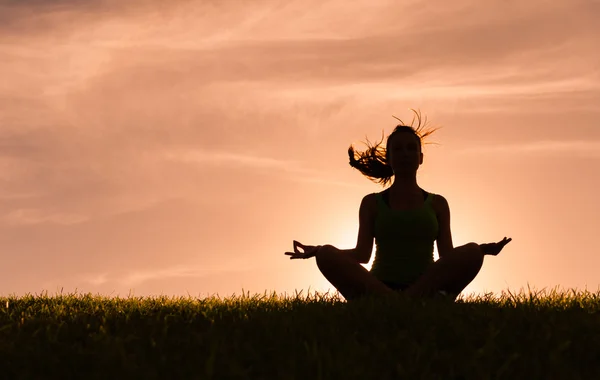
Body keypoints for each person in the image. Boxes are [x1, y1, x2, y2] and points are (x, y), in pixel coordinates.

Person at [284, 110, 511, 301]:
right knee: (325, 254)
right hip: (379, 286)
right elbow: (362, 254)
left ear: (421, 158)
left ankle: (406, 300)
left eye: (411, 149)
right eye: (398, 150)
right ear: (389, 159)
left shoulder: (438, 203)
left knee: (472, 251)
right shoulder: (372, 202)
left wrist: (481, 250)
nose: (405, 154)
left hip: (426, 287)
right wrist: (318, 252)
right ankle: (394, 301)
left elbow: (447, 255)